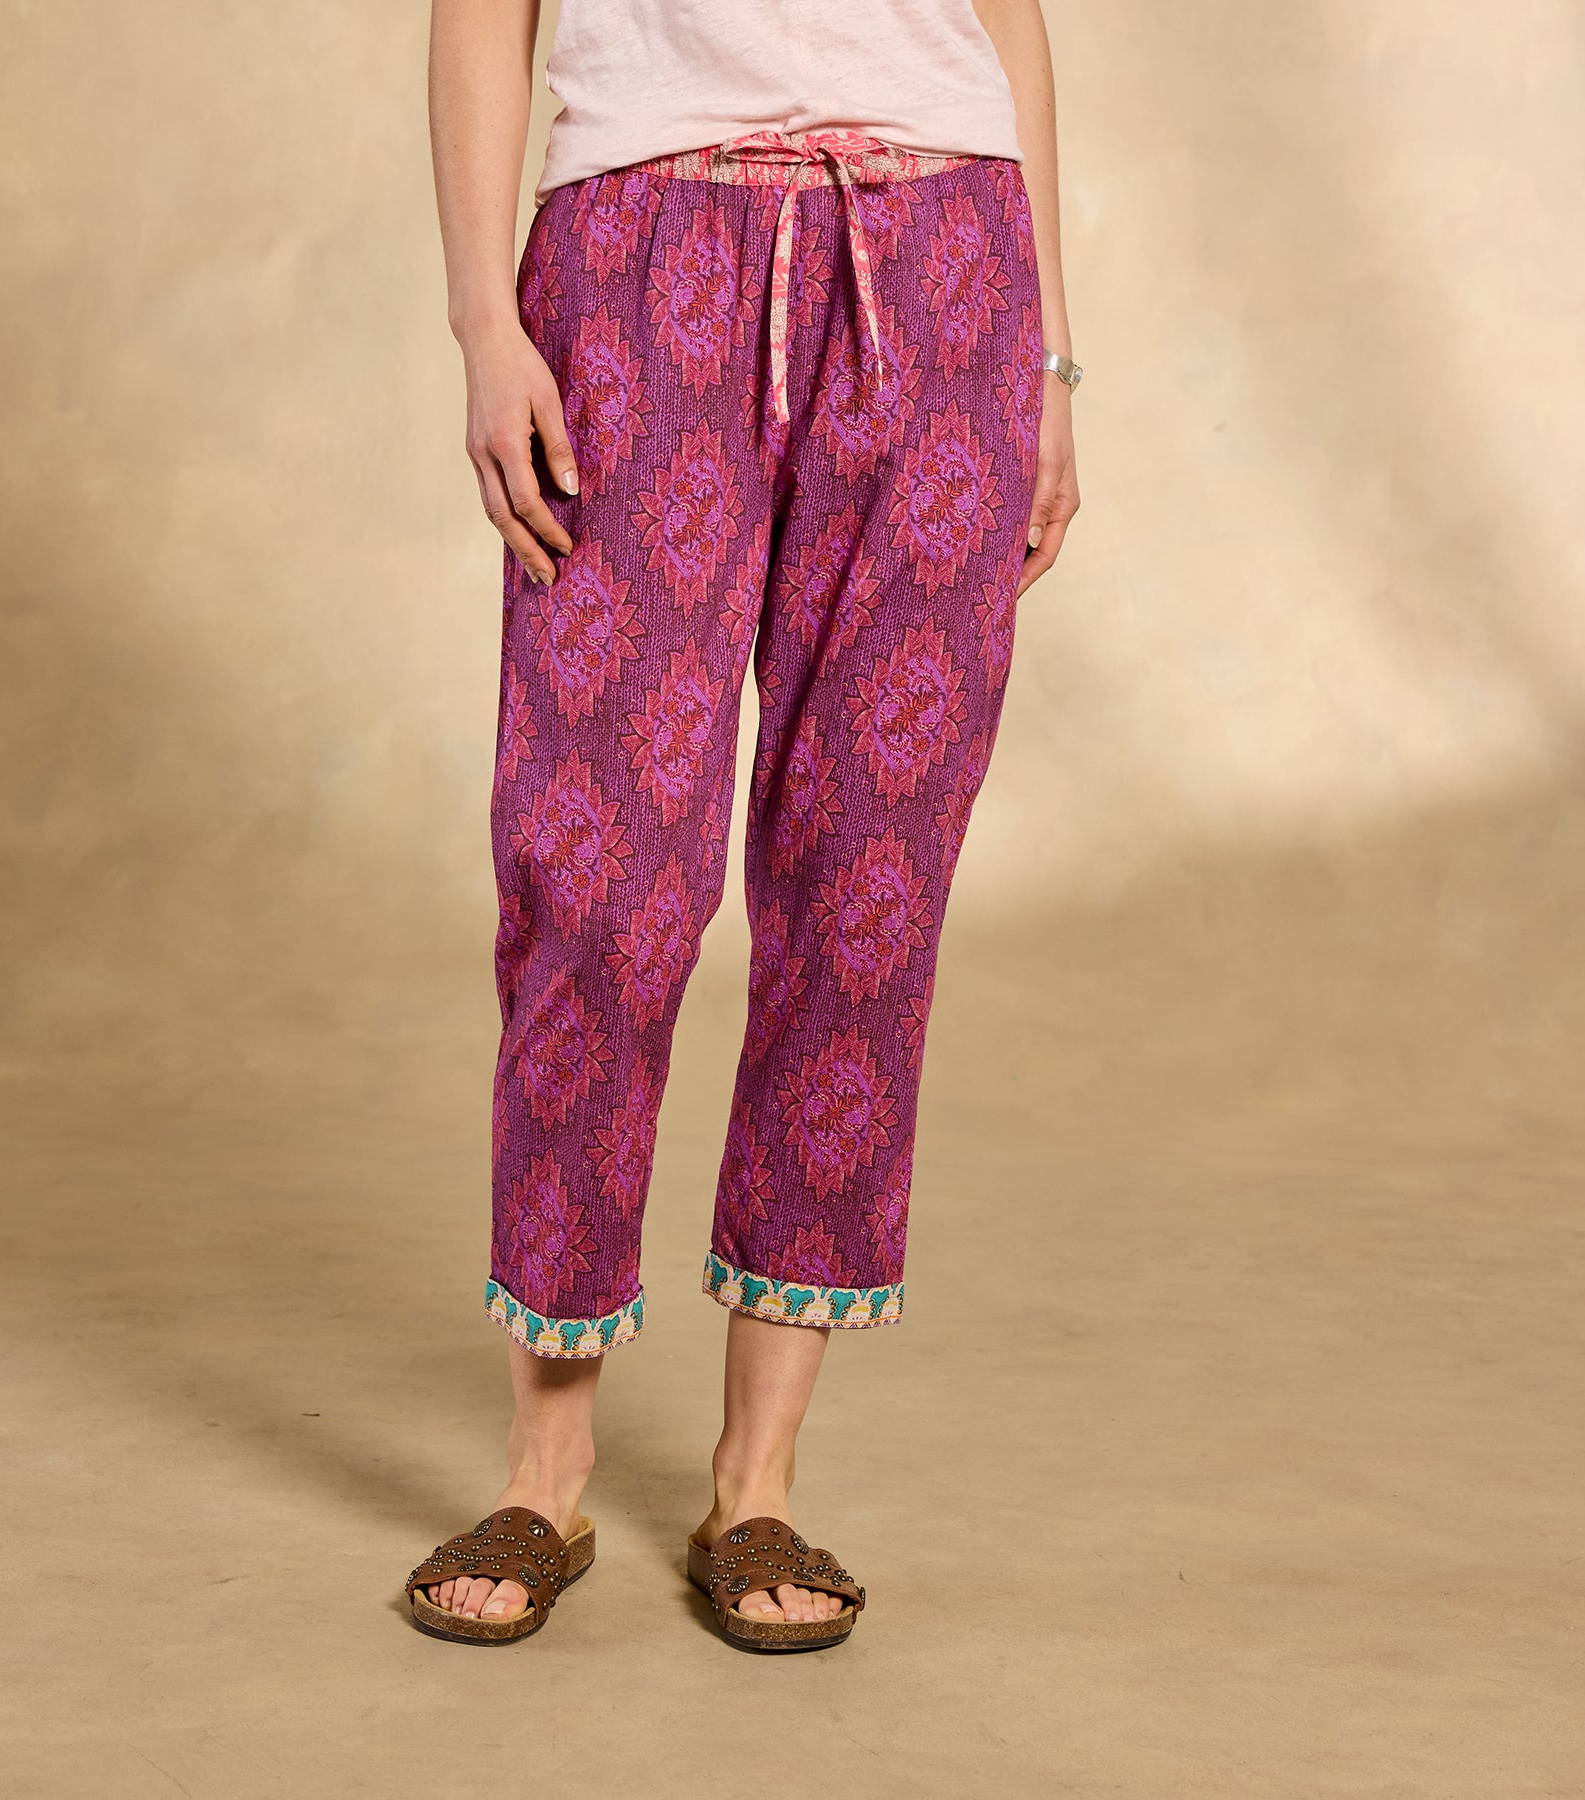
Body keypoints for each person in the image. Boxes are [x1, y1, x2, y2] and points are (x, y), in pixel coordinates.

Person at [408, 0, 1081, 1650]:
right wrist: (488, 324)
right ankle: (545, 1468)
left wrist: (1054, 358)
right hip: (639, 257)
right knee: (598, 878)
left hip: (947, 265)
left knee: (867, 881)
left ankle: (757, 1482)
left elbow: (1007, 19)